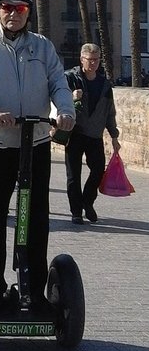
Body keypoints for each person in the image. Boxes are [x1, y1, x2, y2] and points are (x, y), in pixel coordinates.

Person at [0, 0, 75, 312]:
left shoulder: (42, 47)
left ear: (28, 12)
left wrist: (63, 111)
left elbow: (58, 82)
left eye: (20, 8)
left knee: (37, 216)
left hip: (36, 141)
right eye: (6, 8)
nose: (13, 14)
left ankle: (34, 291)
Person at [64, 43, 120, 224]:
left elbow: (109, 111)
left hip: (95, 135)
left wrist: (114, 135)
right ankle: (76, 212)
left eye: (97, 60)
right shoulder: (70, 79)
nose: (94, 63)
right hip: (74, 133)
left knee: (97, 171)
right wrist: (72, 98)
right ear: (82, 60)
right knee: (74, 175)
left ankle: (87, 202)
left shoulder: (105, 84)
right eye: (90, 60)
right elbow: (58, 100)